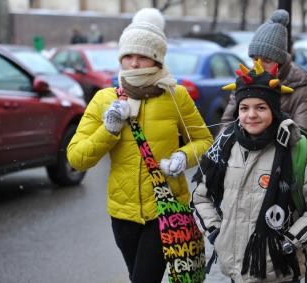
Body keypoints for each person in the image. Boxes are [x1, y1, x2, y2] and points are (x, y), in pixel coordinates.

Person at [67, 8, 213, 283]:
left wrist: (183, 156)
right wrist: (108, 130)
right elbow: (77, 158)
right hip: (122, 214)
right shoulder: (104, 99)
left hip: (165, 209)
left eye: (142, 56)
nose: (134, 63)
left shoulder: (176, 96)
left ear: (157, 60)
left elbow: (205, 141)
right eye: (128, 56)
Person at [192, 61, 307, 283]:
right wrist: (216, 232)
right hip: (236, 270)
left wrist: (289, 243)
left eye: (261, 107)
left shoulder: (293, 150)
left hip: (280, 272)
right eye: (244, 108)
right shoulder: (225, 148)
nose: (251, 115)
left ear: (274, 110)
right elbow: (201, 196)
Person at [221, 10, 307, 137]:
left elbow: (304, 135)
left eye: (267, 60)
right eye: (255, 59)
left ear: (280, 61)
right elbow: (227, 123)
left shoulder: (301, 86)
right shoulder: (244, 81)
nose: (259, 65)